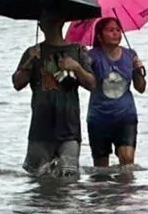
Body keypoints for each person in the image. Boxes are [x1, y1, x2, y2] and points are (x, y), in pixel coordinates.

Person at [12, 10, 96, 177]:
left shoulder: (77, 51)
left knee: (69, 179)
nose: (49, 23)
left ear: (62, 21)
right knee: (37, 180)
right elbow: (17, 83)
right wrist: (30, 60)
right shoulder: (32, 52)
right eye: (45, 19)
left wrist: (76, 67)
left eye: (53, 18)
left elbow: (92, 84)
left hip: (69, 128)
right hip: (40, 128)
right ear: (40, 25)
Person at [86, 18, 146, 167]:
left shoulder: (130, 55)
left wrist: (138, 70)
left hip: (125, 116)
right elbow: (86, 83)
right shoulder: (92, 56)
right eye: (110, 30)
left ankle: (124, 189)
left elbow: (141, 88)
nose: (115, 33)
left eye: (118, 30)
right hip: (98, 118)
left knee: (127, 161)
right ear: (99, 36)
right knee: (101, 169)